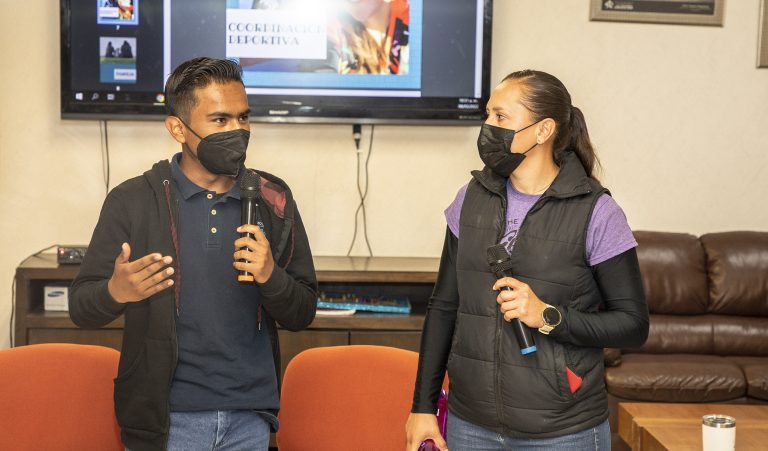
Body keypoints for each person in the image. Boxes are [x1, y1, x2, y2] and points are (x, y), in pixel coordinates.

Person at [70, 57, 317, 451]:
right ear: (177, 128)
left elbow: (303, 311)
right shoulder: (132, 200)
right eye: (220, 121)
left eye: (243, 118)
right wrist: (116, 291)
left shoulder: (273, 199)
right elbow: (82, 307)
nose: (236, 131)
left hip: (249, 417)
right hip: (166, 421)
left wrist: (272, 276)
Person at [405, 70, 649, 450]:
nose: (487, 126)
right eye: (487, 114)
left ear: (543, 130)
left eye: (500, 117)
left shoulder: (596, 212)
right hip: (471, 425)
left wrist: (548, 316)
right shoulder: (469, 199)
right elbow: (444, 306)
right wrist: (422, 407)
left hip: (564, 431)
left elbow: (632, 325)